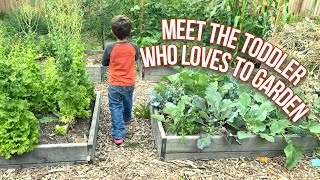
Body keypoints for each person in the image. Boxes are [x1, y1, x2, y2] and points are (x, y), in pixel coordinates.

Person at [101, 15, 139, 145]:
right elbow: (135, 59)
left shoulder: (110, 48)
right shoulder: (134, 47)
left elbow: (104, 62)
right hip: (129, 82)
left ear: (112, 32)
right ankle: (127, 118)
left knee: (116, 107)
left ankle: (118, 135)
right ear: (130, 32)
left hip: (115, 84)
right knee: (128, 100)